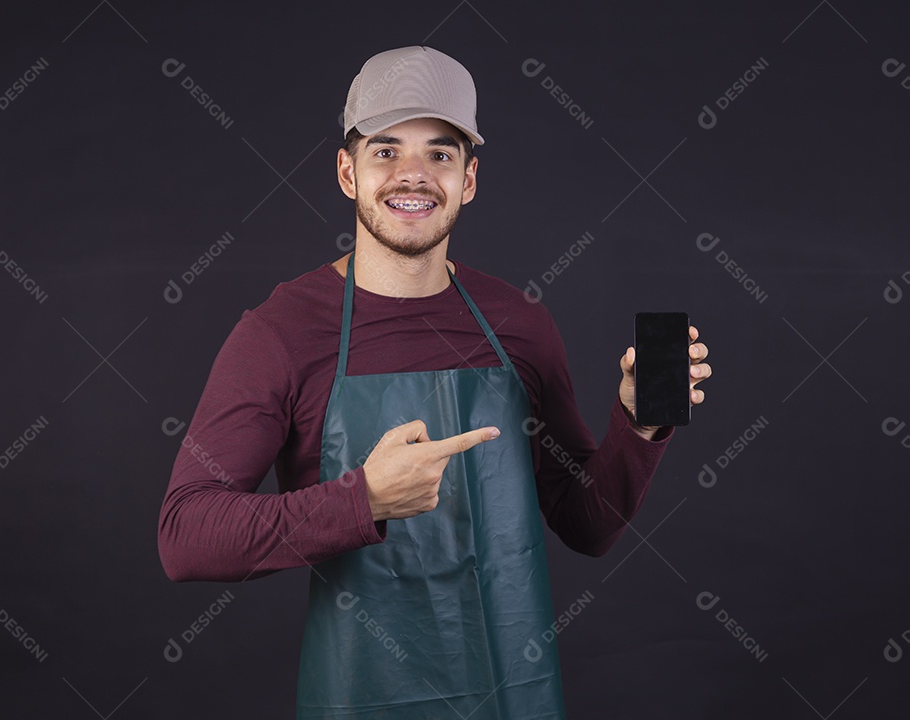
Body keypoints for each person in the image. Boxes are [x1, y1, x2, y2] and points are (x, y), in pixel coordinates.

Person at [158, 45, 712, 720]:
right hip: (361, 700)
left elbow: (586, 522)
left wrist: (639, 422)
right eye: (386, 150)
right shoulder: (279, 333)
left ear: (469, 178)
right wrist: (363, 499)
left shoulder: (519, 323)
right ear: (347, 172)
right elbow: (185, 537)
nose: (412, 175)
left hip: (513, 695)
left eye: (440, 153)